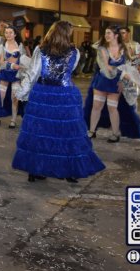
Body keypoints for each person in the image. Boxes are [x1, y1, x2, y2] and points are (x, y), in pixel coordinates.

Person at [12, 21, 105, 183]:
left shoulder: (40, 50)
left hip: (43, 94)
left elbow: (33, 73)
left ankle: (37, 169)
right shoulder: (74, 52)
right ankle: (70, 169)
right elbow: (70, 71)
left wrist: (21, 92)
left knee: (41, 132)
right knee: (67, 132)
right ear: (66, 34)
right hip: (66, 95)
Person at [84, 25, 140, 142]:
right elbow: (105, 67)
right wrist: (122, 73)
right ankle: (92, 131)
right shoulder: (102, 49)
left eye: (109, 33)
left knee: (112, 108)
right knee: (96, 107)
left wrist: (134, 66)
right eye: (106, 33)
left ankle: (115, 133)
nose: (106, 35)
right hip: (102, 81)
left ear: (115, 36)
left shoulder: (125, 48)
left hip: (116, 82)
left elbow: (130, 64)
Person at [0, 25, 25, 128]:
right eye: (6, 32)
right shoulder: (2, 46)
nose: (8, 34)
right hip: (4, 74)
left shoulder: (20, 46)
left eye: (10, 32)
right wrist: (12, 65)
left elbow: (23, 59)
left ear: (15, 34)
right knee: (0, 97)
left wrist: (23, 67)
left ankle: (13, 120)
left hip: (16, 76)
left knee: (14, 98)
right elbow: (1, 62)